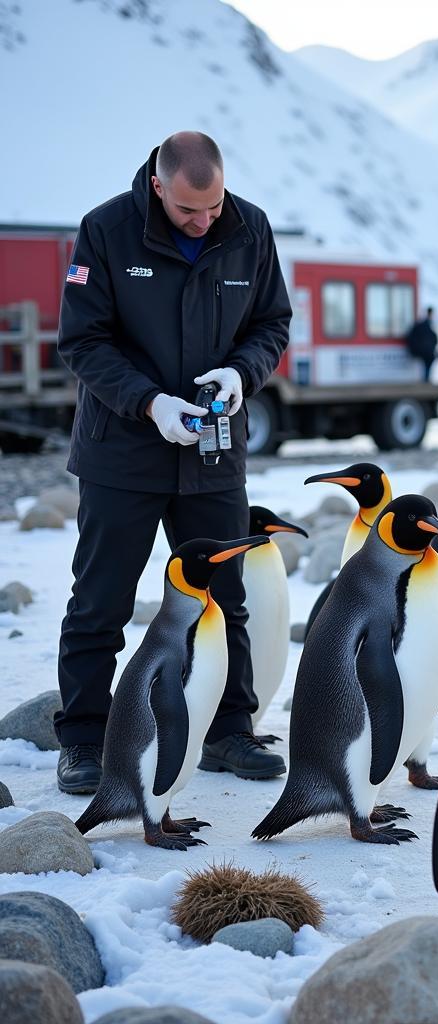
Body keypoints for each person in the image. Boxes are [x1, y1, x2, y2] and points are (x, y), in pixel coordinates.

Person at [54, 131, 291, 794]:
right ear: (159, 186)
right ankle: (80, 740)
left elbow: (271, 322)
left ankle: (229, 730)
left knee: (226, 597)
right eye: (191, 210)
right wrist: (148, 403)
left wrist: (244, 375)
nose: (206, 220)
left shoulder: (250, 228)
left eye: (213, 206)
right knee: (101, 600)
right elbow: (82, 340)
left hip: (214, 451)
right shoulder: (105, 230)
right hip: (121, 451)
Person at [405, 306, 438, 380]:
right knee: (428, 361)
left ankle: (426, 379)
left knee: (427, 362)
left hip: (422, 350)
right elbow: (435, 339)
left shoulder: (421, 325)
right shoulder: (425, 325)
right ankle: (426, 379)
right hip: (424, 351)